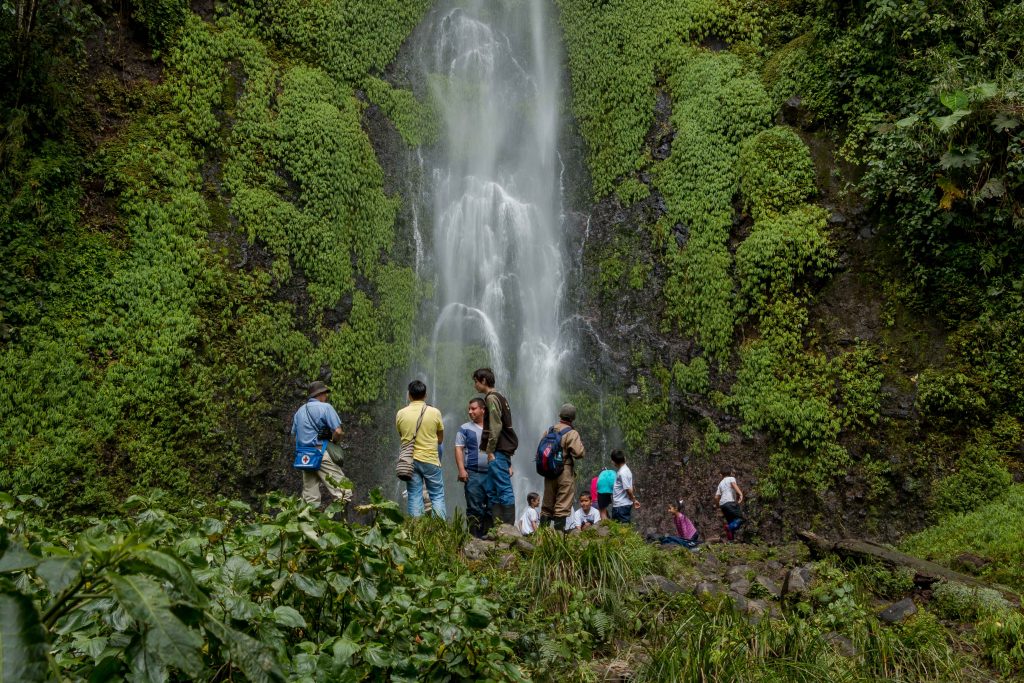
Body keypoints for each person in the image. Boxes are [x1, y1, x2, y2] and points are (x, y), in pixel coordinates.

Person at [292, 381, 351, 508]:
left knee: (310, 499)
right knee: (343, 491)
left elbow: (295, 435)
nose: (326, 396)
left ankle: (309, 527)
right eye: (325, 393)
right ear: (321, 394)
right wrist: (334, 441)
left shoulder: (299, 411)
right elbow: (338, 431)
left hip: (305, 458)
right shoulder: (326, 407)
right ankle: (342, 524)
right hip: (320, 453)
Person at [472, 368, 519, 526]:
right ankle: (497, 527)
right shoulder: (501, 397)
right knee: (492, 491)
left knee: (503, 488)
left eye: (476, 382)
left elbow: (496, 426)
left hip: (497, 451)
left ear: (484, 381)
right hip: (500, 451)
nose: (475, 385)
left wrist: (490, 450)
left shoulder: (492, 399)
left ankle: (508, 529)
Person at [396, 380, 446, 519]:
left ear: (409, 395)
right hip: (430, 459)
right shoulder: (435, 412)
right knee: (436, 496)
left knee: (414, 495)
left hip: (410, 460)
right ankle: (439, 530)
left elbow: (403, 436)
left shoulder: (401, 413)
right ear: (425, 395)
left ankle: (416, 532)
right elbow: (440, 439)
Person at [539, 403, 585, 530]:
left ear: (560, 415)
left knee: (547, 506)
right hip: (564, 471)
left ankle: (541, 537)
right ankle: (558, 538)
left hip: (549, 472)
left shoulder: (549, 430)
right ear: (573, 418)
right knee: (562, 505)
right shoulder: (571, 433)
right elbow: (579, 453)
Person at [455, 398, 491, 537]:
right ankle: (474, 539)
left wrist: (508, 465)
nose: (470, 412)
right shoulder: (464, 428)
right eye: (469, 409)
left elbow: (501, 448)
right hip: (473, 473)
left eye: (473, 408)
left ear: (483, 409)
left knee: (491, 507)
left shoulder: (493, 427)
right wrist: (461, 469)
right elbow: (458, 448)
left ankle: (489, 537)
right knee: (474, 508)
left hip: (492, 473)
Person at [609, 450, 640, 523]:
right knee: (621, 529)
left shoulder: (623, 472)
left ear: (613, 462)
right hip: (621, 505)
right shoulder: (625, 470)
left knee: (622, 529)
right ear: (625, 458)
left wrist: (634, 500)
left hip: (621, 506)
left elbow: (628, 489)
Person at [715, 466, 745, 541]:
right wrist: (740, 494)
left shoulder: (720, 483)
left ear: (721, 475)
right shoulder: (731, 478)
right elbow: (733, 485)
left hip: (723, 505)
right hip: (730, 502)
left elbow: (716, 497)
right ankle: (729, 528)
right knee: (740, 519)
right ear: (730, 473)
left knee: (731, 521)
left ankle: (730, 541)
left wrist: (718, 506)